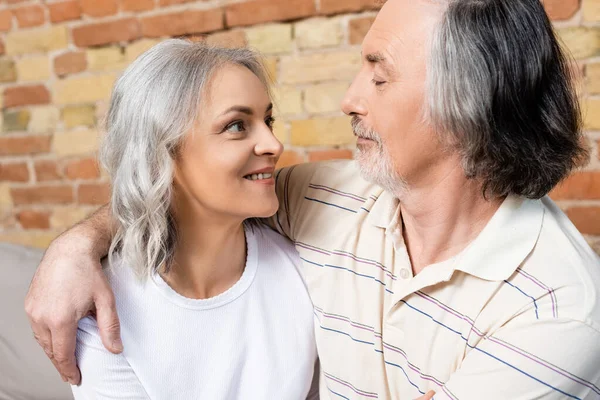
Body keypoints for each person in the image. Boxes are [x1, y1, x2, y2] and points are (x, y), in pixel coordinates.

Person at [26, 0, 600, 399]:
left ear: (468, 105)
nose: (350, 99)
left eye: (379, 77)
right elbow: (185, 196)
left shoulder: (557, 308)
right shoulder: (323, 199)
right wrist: (75, 246)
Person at [55, 39, 319, 399]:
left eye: (267, 119)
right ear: (162, 152)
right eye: (237, 125)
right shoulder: (103, 310)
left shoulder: (306, 270)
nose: (273, 143)